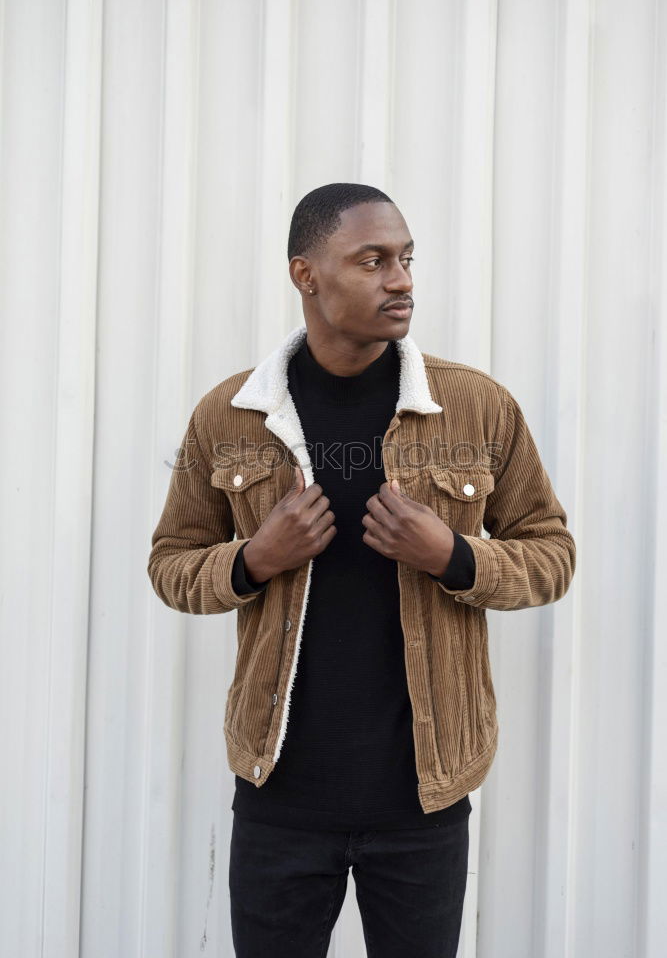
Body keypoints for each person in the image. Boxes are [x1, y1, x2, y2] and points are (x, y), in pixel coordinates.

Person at [147, 182, 576, 957]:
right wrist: (252, 561)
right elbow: (169, 564)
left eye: (406, 259)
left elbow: (552, 553)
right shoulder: (230, 416)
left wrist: (453, 555)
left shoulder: (475, 407)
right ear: (305, 274)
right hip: (278, 794)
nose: (401, 279)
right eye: (372, 260)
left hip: (423, 797)